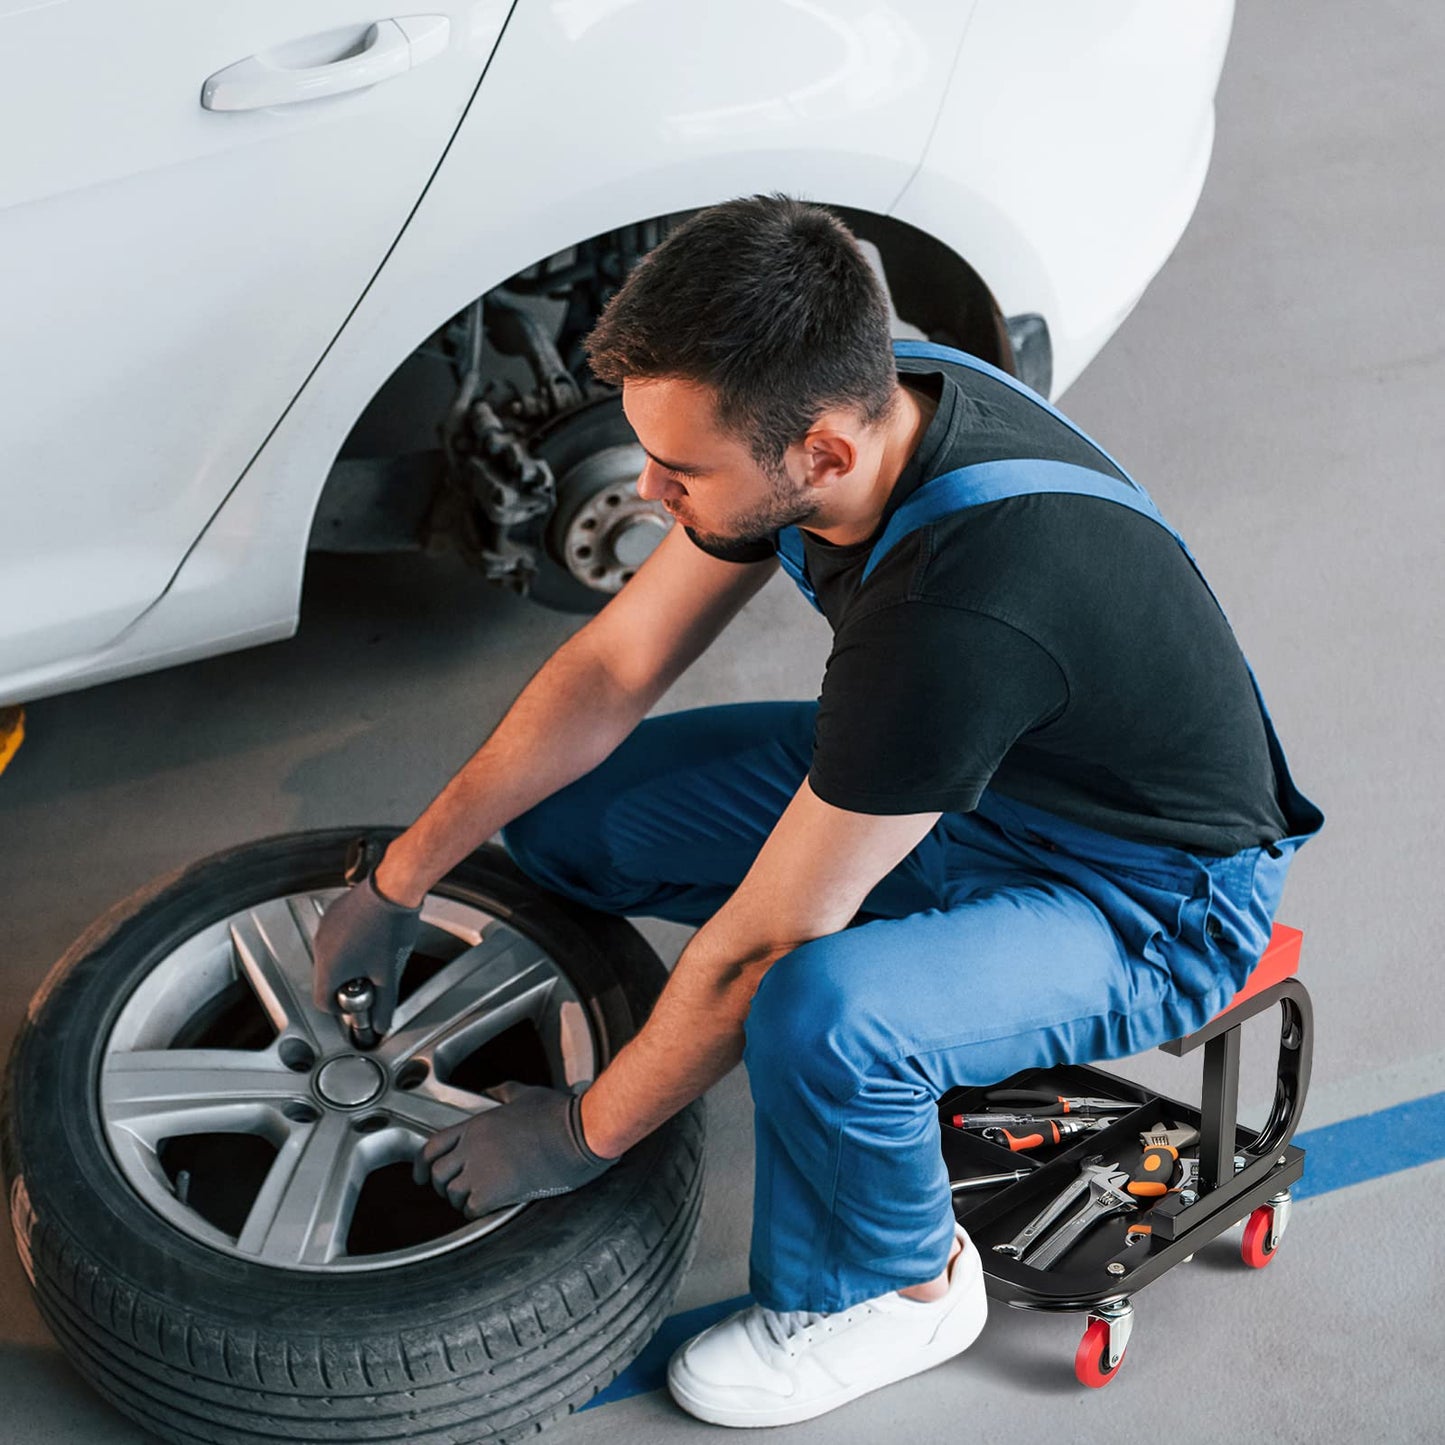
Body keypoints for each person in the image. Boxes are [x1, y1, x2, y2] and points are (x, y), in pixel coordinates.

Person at [312, 194, 1324, 1428]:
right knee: (580, 821)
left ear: (824, 456)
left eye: (680, 471)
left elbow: (754, 950)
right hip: (965, 775)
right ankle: (894, 1026)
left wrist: (579, 1134)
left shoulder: (956, 611)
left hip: (1145, 893)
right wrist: (398, 876)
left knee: (819, 1013)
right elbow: (611, 667)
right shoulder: (845, 399)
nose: (645, 488)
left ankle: (902, 1290)